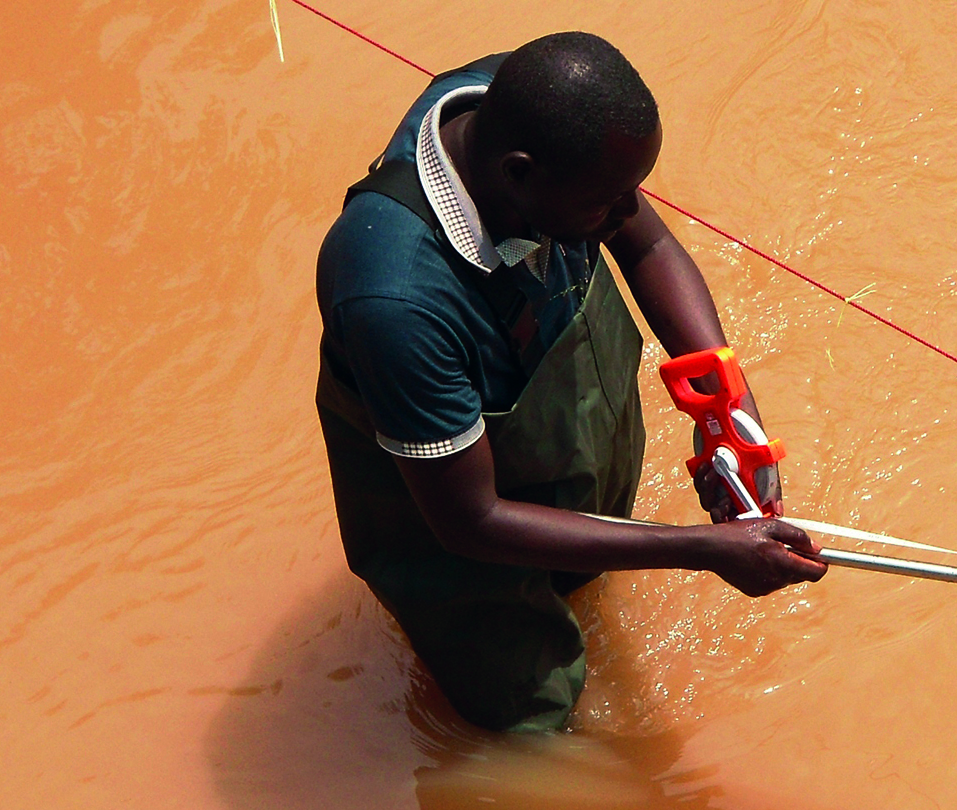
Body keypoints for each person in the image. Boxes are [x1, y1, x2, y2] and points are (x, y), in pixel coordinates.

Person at [314, 32, 827, 733]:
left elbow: (647, 242)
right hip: (458, 523)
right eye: (606, 203)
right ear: (519, 174)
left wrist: (727, 411)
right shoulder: (394, 299)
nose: (625, 213)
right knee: (524, 722)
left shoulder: (529, 116)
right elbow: (471, 521)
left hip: (561, 412)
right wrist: (695, 550)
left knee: (587, 572)